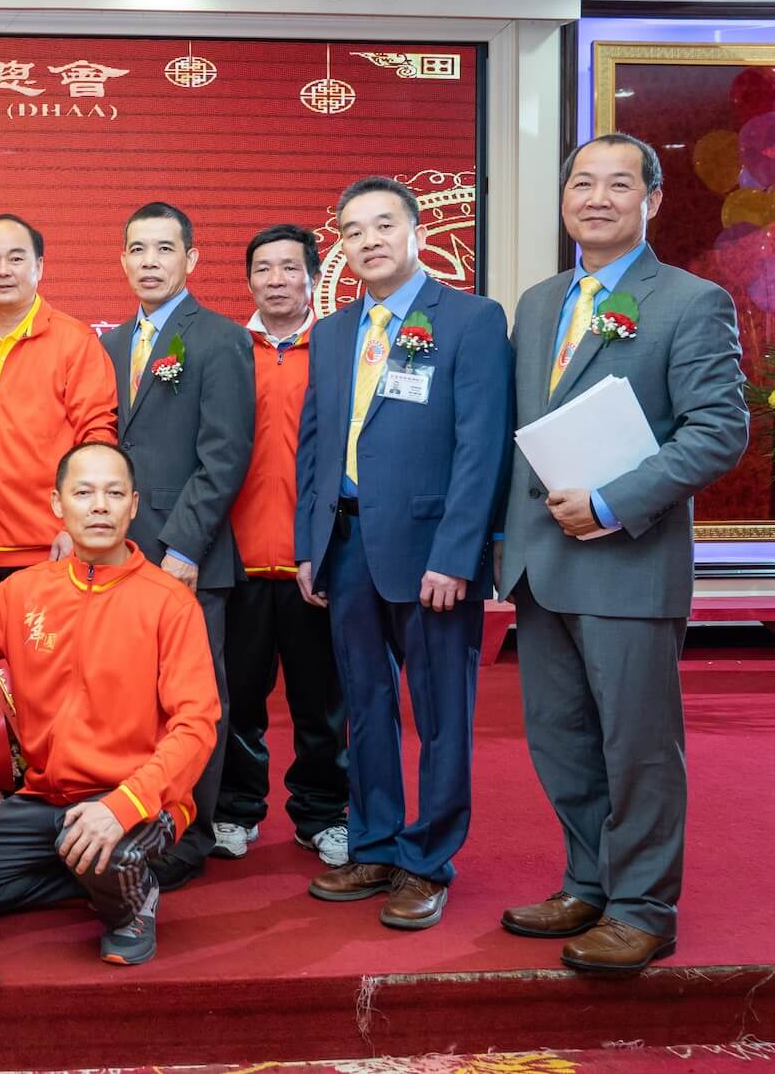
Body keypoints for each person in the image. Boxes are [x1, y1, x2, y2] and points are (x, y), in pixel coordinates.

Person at [498, 134, 746, 972]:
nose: (595, 197)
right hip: (541, 565)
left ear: (654, 199)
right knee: (559, 739)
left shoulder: (688, 301)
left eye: (617, 183)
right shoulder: (536, 304)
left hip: (629, 565)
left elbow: (719, 432)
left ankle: (643, 906)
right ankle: (587, 879)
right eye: (581, 182)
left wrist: (610, 501)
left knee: (637, 747)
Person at [296, 177, 510, 931]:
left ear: (415, 230)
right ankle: (377, 841)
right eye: (353, 231)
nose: (370, 240)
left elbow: (480, 448)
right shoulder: (331, 330)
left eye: (384, 224)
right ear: (344, 247)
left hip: (430, 552)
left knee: (442, 713)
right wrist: (307, 545)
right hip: (345, 543)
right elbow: (316, 447)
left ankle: (428, 859)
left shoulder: (472, 319)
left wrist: (458, 553)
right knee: (365, 704)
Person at [0, 442, 219, 966]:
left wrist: (123, 805)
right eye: (83, 493)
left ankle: (130, 901)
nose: (98, 505)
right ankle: (82, 869)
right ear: (58, 505)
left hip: (136, 795)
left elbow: (196, 727)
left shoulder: (170, 603)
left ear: (133, 505)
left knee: (109, 848)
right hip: (47, 798)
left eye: (113, 493)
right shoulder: (24, 592)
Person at [100, 202, 253, 890]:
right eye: (138, 248)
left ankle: (188, 830)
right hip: (114, 555)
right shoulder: (106, 346)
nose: (150, 260)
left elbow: (225, 454)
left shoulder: (219, 339)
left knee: (195, 698)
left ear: (191, 259)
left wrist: (184, 547)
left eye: (165, 248)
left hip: (187, 555)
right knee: (129, 696)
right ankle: (139, 815)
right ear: (123, 259)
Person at [214, 224, 349, 868]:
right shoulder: (226, 351)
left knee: (320, 703)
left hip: (311, 561)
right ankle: (235, 811)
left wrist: (322, 549)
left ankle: (321, 814)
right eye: (263, 269)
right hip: (234, 561)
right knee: (235, 701)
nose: (276, 280)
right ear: (248, 281)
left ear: (313, 278)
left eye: (289, 268)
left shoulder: (337, 349)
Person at [0, 213, 116, 596]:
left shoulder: (75, 342)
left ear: (39, 266)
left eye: (16, 258)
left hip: (47, 550)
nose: (2, 270)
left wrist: (79, 526)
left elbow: (97, 441)